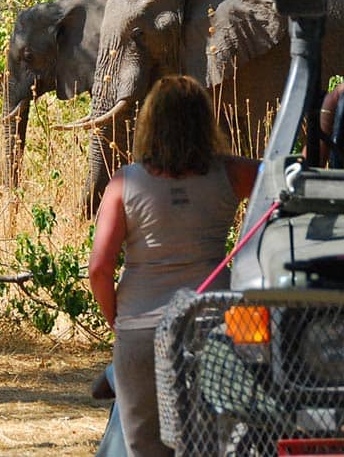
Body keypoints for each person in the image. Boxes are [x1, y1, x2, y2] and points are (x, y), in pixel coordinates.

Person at [88, 75, 258, 456]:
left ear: (150, 123)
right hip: (211, 324)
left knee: (145, 447)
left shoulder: (124, 182)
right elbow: (288, 182)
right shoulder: (232, 173)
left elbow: (99, 267)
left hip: (140, 329)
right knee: (211, 445)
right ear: (204, 123)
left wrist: (116, 316)